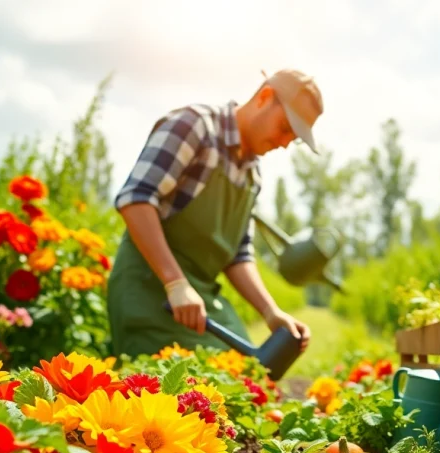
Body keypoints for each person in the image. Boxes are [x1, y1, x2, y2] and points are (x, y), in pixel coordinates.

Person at [107, 69, 320, 361]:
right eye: (284, 126)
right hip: (150, 291)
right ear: (265, 97)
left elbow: (238, 254)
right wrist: (175, 283)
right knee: (173, 395)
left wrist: (271, 311)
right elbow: (136, 199)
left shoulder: (252, 173)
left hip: (201, 301)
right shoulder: (194, 127)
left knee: (247, 378)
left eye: (292, 137)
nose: (284, 142)